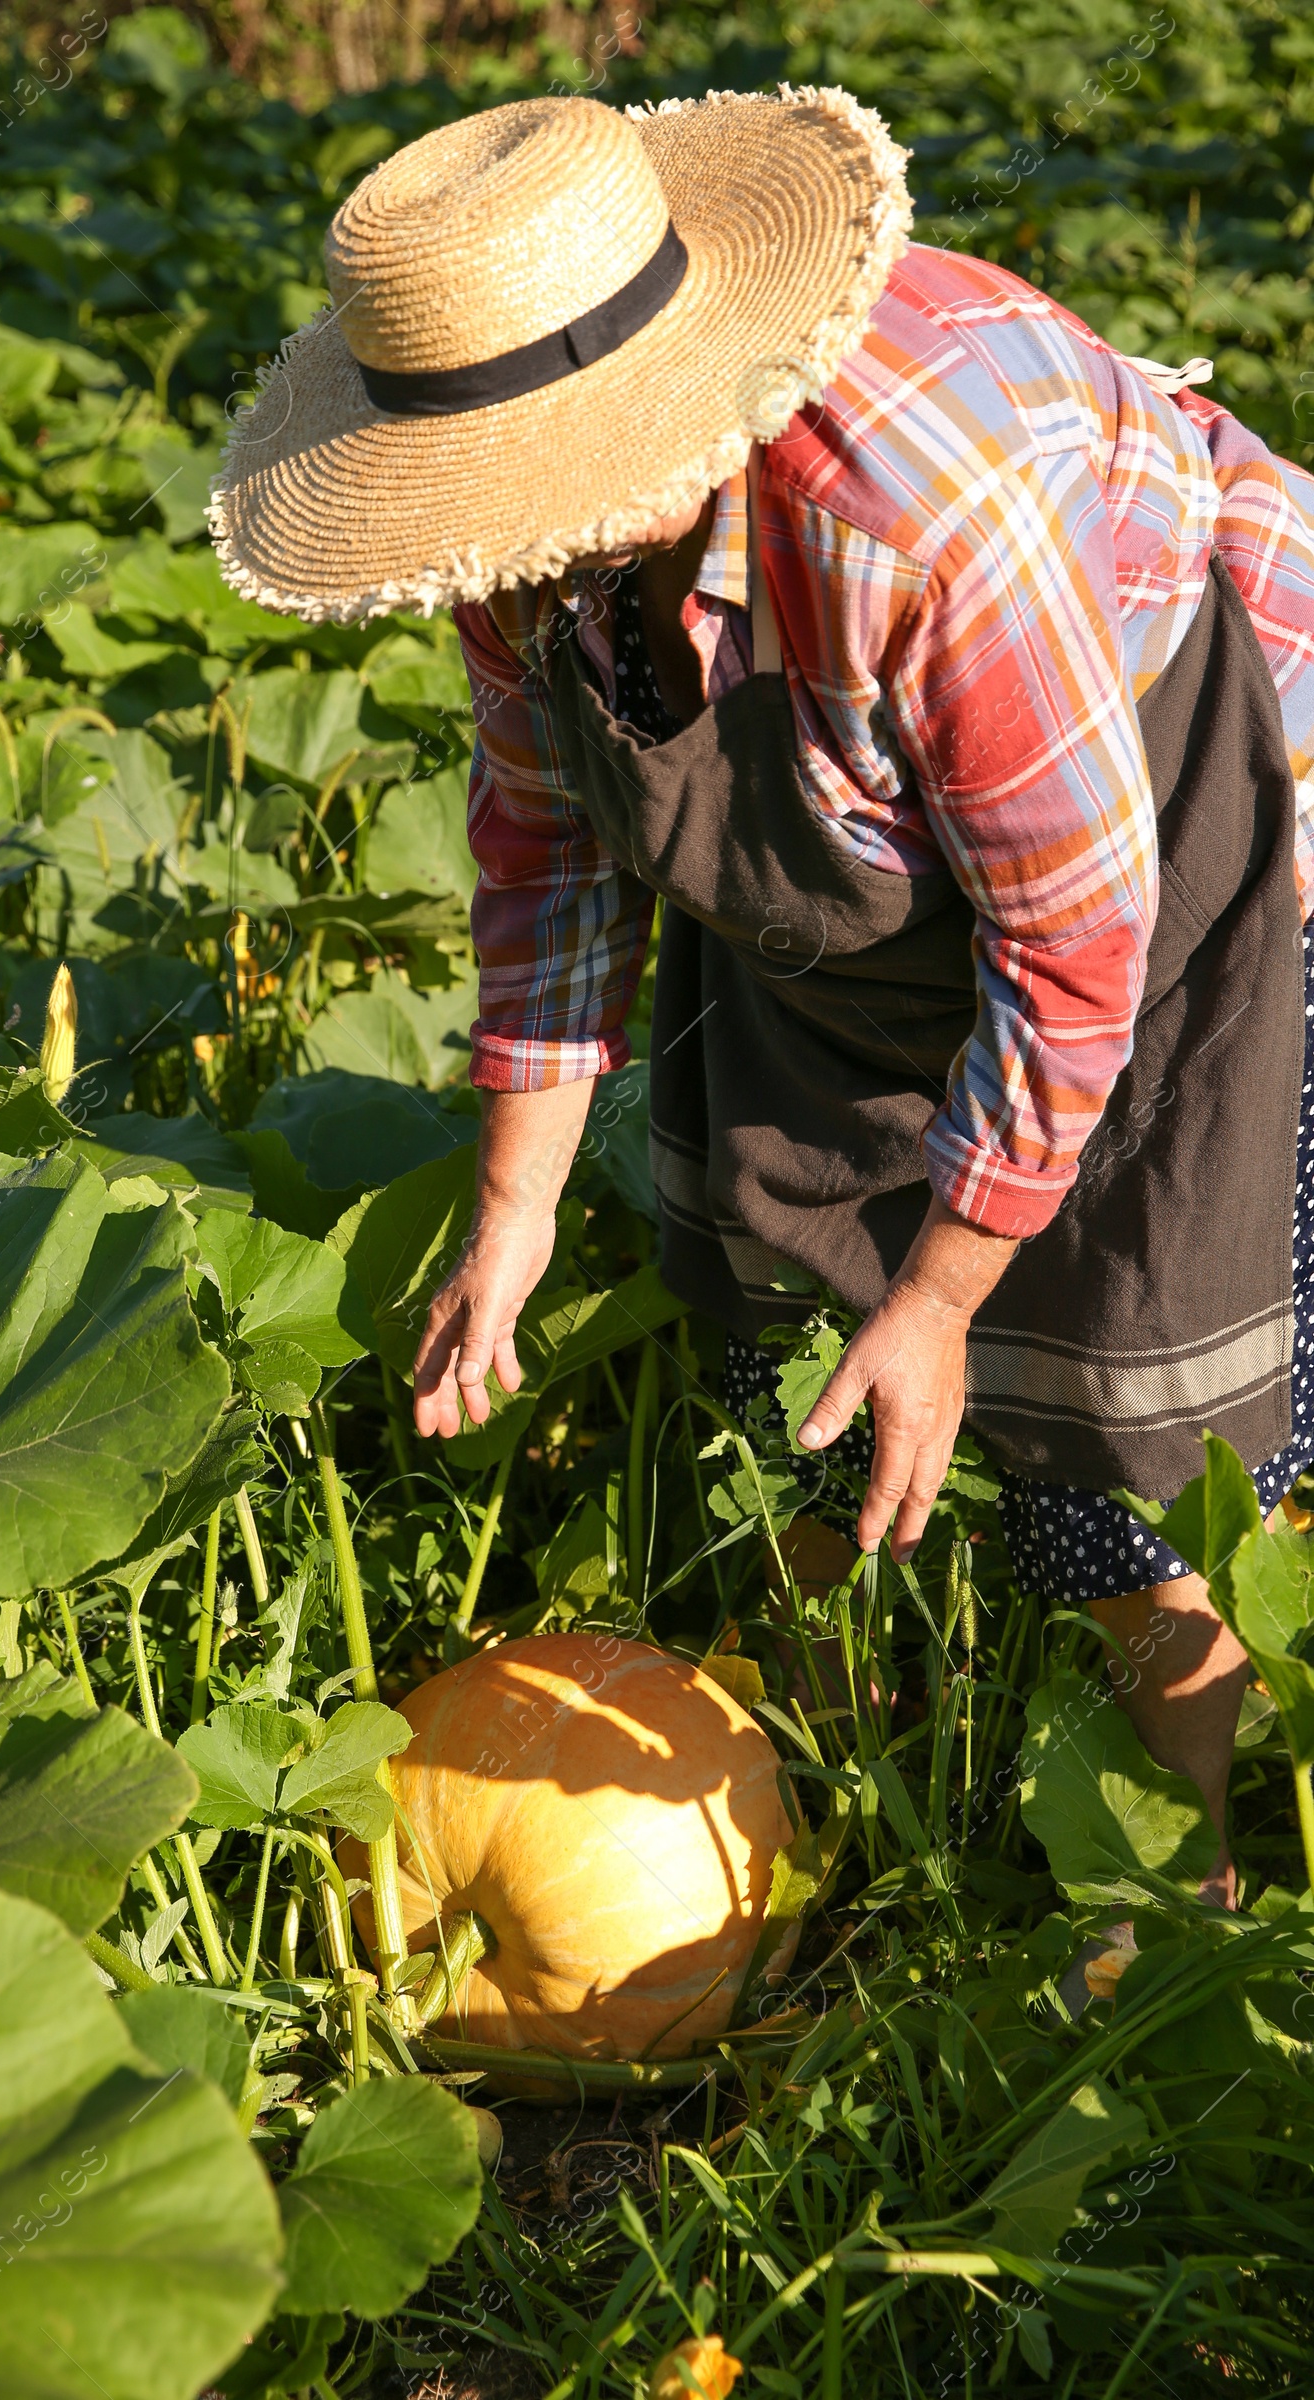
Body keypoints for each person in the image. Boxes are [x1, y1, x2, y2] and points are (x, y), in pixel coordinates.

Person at [210, 86, 1314, 1908]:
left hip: (1170, 811)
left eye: (547, 498)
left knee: (1131, 1393)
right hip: (840, 847)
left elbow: (1072, 953)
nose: (512, 555)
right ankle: (811, 1765)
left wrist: (951, 1291)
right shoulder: (522, 553)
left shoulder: (914, 516)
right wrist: (512, 1207)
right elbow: (550, 855)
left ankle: (1163, 1911)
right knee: (784, 1302)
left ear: (656, 432)